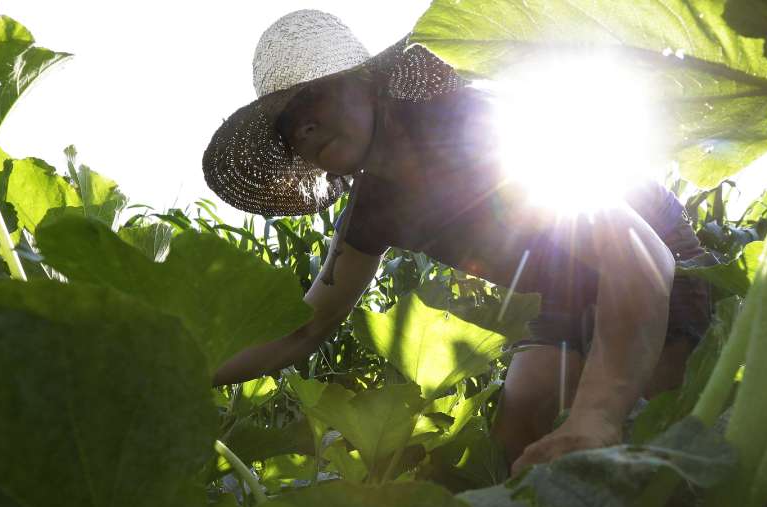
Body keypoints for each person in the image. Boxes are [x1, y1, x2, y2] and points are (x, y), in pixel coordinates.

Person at [205, 10, 713, 475]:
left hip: (653, 255)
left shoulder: (470, 126)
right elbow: (304, 328)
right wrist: (198, 372)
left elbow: (635, 252)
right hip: (558, 293)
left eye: (312, 98)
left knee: (641, 429)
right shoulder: (370, 209)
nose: (305, 125)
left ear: (368, 83)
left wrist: (596, 415)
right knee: (520, 433)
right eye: (289, 126)